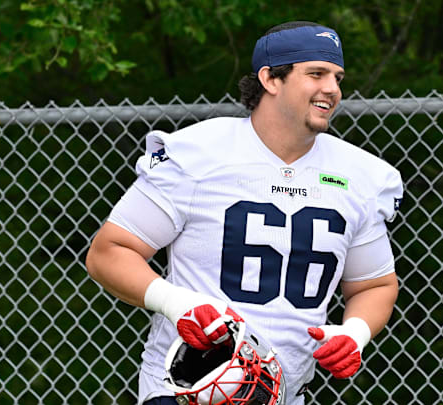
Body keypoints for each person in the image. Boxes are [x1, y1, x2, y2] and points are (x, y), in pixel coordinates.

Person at [85, 20, 403, 405]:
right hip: (185, 392)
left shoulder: (359, 175)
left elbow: (375, 285)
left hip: (284, 395)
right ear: (270, 79)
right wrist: (177, 304)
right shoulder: (199, 153)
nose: (332, 89)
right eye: (315, 74)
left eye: (337, 77)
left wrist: (354, 333)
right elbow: (109, 251)